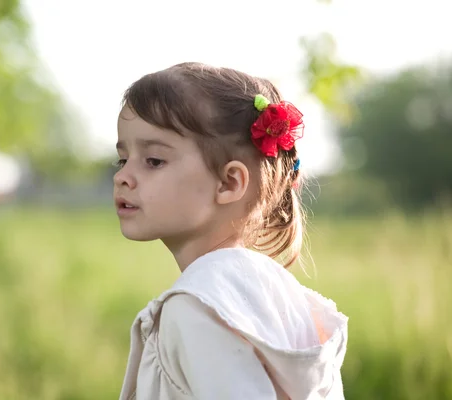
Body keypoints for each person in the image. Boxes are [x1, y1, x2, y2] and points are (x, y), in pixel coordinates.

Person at [113, 62, 348, 400]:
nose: (123, 176)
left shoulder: (197, 308)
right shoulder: (277, 291)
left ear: (229, 182)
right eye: (122, 159)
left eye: (153, 160)